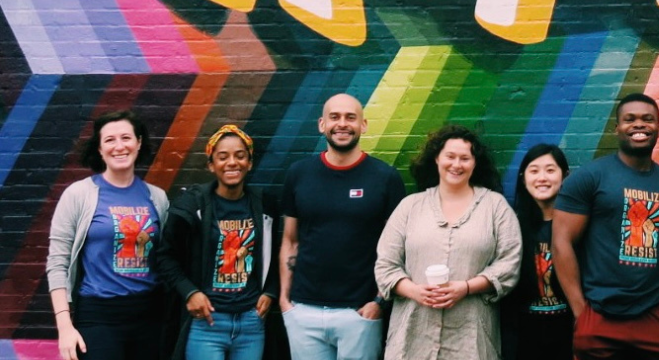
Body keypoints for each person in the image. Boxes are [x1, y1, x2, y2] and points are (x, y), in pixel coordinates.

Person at [551, 93, 659, 359]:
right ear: (617, 128)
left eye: (648, 119)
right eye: (630, 119)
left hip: (655, 315)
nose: (639, 125)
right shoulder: (590, 178)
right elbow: (561, 242)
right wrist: (581, 311)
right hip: (600, 314)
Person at [374, 125, 522, 359]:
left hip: (470, 336)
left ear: (475, 163)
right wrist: (414, 291)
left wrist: (466, 287)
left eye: (465, 158)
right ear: (436, 158)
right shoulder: (410, 206)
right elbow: (385, 265)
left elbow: (509, 263)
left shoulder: (495, 206)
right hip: (413, 335)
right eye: (450, 156)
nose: (456, 164)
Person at [279, 93, 405, 360]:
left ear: (364, 124)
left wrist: (378, 303)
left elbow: (398, 248)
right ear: (321, 124)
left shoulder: (385, 178)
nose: (342, 124)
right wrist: (285, 301)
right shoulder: (298, 174)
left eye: (351, 117)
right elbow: (290, 240)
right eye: (334, 117)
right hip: (303, 310)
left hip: (359, 312)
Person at [46, 111, 171, 360]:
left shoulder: (157, 197)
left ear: (138, 143)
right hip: (98, 315)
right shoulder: (79, 194)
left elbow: (167, 257)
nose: (119, 146)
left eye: (126, 137)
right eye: (109, 140)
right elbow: (57, 262)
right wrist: (64, 326)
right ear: (100, 150)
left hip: (149, 314)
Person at [155, 125, 281, 360]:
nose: (232, 162)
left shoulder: (265, 206)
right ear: (211, 165)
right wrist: (190, 293)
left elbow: (278, 255)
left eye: (240, 156)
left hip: (251, 322)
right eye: (223, 157)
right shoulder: (191, 207)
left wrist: (272, 291)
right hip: (207, 323)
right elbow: (165, 256)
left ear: (250, 163)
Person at [499, 144, 575, 360]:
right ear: (523, 179)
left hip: (568, 334)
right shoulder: (510, 226)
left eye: (550, 170)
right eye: (534, 171)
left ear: (565, 176)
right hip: (524, 337)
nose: (542, 177)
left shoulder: (577, 226)